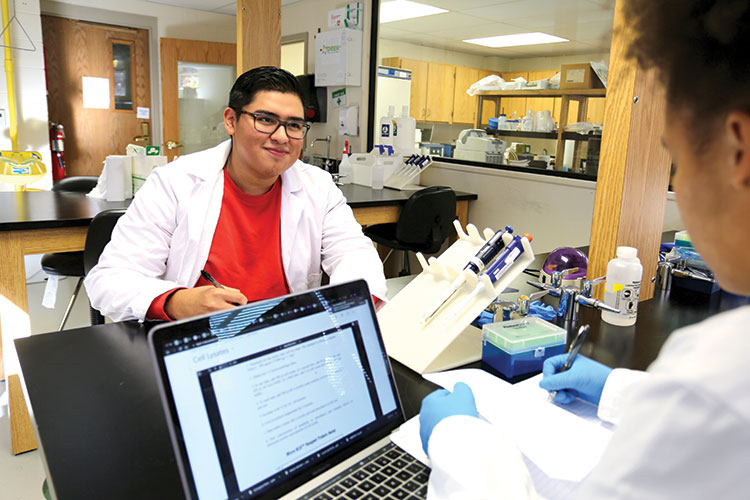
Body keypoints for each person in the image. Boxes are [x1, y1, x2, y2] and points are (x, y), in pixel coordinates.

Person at [418, 1, 750, 498]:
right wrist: (618, 391)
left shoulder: (719, 374)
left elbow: (716, 408)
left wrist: (462, 440)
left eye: (675, 158)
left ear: (739, 151)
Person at [85, 66, 387, 322]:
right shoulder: (174, 183)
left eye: (294, 125)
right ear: (231, 120)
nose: (282, 136)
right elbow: (109, 279)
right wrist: (178, 302)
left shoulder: (318, 186)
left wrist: (353, 301)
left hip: (285, 334)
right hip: (201, 337)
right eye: (266, 120)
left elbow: (352, 251)